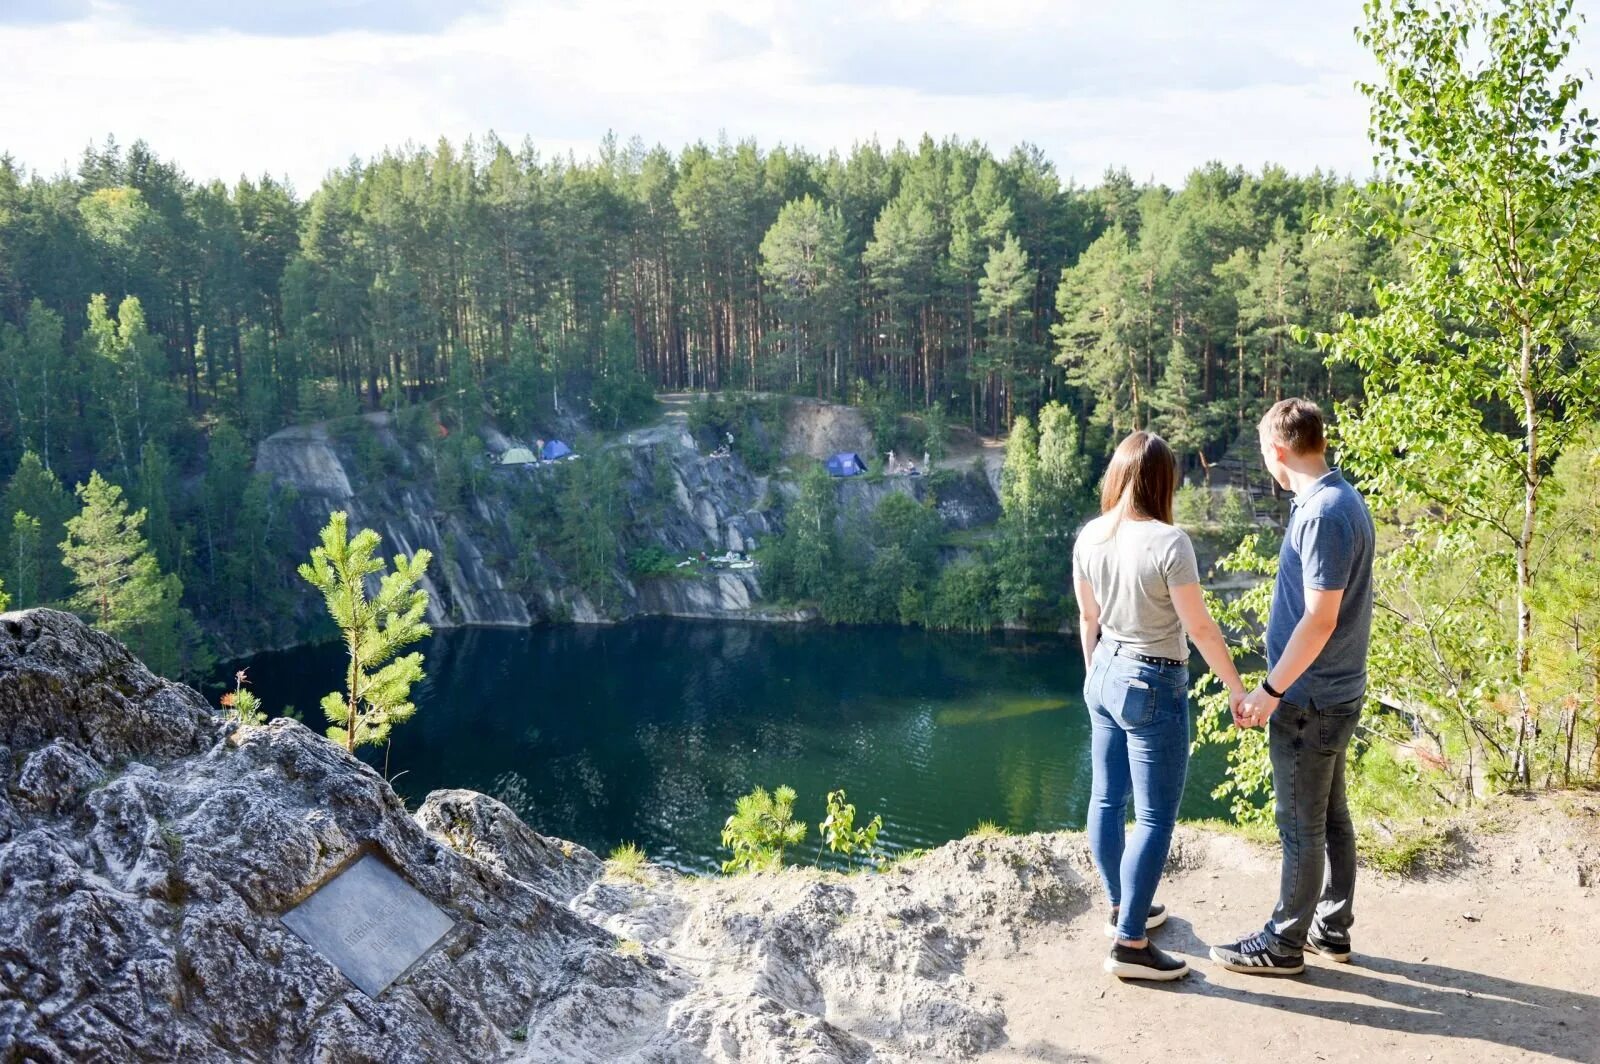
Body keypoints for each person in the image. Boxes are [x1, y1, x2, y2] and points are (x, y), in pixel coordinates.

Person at [1209, 398, 1375, 976]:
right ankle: (1331, 931)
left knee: (1301, 823)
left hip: (1310, 698)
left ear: (1278, 449)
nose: (1264, 462)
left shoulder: (1324, 513)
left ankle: (1284, 944)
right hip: (1331, 691)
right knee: (1329, 816)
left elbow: (1320, 617)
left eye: (1263, 452)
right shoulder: (1341, 497)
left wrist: (1271, 691)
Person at [1074, 431, 1247, 981]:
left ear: (1118, 476)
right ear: (1163, 481)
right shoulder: (1170, 543)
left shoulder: (1090, 535)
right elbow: (1199, 627)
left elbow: (1088, 619)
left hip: (1103, 669)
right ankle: (1130, 943)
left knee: (1106, 799)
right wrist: (1236, 687)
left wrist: (1092, 678)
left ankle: (1121, 905)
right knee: (1152, 817)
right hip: (1152, 680)